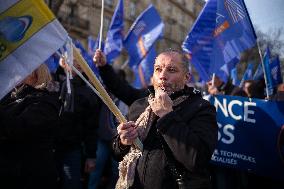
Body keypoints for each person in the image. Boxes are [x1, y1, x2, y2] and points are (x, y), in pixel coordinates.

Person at [102, 50, 218, 189]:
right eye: (158, 69)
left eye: (172, 70)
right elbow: (116, 152)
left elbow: (197, 159)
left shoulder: (201, 108)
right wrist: (123, 142)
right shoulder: (139, 105)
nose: (163, 76)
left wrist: (167, 116)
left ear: (186, 77)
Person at [0, 64, 60, 189]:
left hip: (31, 176)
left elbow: (18, 128)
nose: (13, 72)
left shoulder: (45, 102)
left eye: (18, 69)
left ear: (33, 74)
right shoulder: (9, 97)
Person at [55, 59, 99, 189]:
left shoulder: (88, 93)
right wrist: (59, 67)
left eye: (78, 64)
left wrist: (91, 156)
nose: (74, 66)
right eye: (71, 62)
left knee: (71, 184)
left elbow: (91, 128)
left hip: (72, 149)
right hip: (50, 148)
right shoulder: (54, 84)